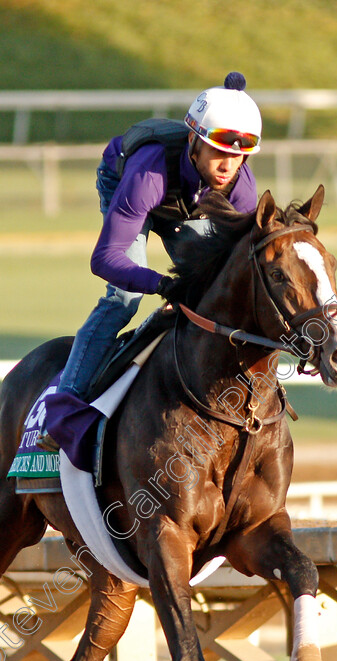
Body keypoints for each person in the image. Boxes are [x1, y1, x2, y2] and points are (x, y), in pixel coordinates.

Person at [39, 72, 262, 452]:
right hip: (124, 183)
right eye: (219, 151)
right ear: (193, 141)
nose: (229, 165)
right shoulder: (148, 173)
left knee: (212, 287)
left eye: (239, 155)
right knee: (123, 300)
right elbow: (104, 258)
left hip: (187, 203)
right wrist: (159, 283)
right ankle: (65, 411)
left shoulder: (240, 188)